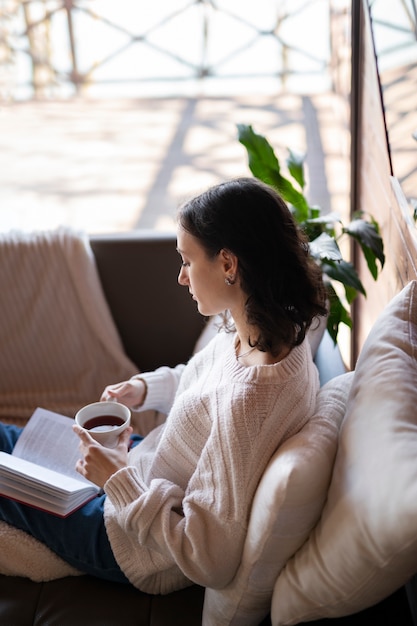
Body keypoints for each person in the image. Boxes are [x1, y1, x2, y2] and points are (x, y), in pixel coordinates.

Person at [0, 177, 327, 594]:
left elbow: (210, 558)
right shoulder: (275, 332)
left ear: (228, 264)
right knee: (9, 439)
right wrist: (145, 389)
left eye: (188, 261)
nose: (181, 277)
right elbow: (205, 382)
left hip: (125, 538)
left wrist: (115, 480)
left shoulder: (252, 403)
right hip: (142, 469)